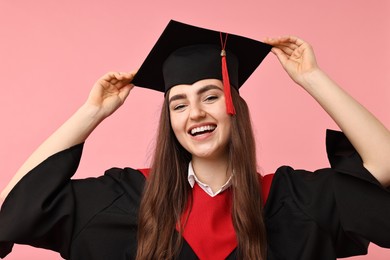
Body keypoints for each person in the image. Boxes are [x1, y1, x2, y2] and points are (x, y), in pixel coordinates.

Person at [0, 20, 389, 260]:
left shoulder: (293, 200)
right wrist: (92, 113)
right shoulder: (128, 197)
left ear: (234, 105)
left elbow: (384, 164)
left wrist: (312, 78)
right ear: (170, 122)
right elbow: (17, 205)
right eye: (178, 104)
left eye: (210, 95)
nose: (195, 113)